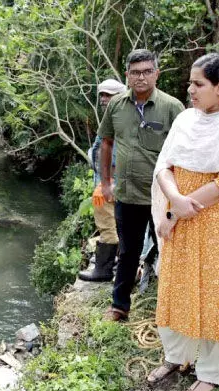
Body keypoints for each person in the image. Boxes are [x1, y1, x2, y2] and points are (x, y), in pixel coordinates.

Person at [146, 53, 219, 391]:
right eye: (190, 83)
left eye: (198, 84)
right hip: (179, 218)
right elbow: (164, 166)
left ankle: (214, 372)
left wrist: (179, 209)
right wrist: (174, 203)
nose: (190, 89)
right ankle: (175, 356)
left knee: (217, 294)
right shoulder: (184, 120)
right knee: (176, 286)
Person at [98, 49, 185, 320]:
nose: (141, 77)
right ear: (127, 75)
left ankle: (173, 306)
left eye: (147, 71)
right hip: (127, 194)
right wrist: (106, 183)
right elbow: (107, 142)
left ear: (157, 73)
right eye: (135, 72)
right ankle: (119, 306)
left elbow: (184, 152)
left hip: (163, 195)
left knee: (168, 249)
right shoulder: (116, 105)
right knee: (128, 252)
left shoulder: (173, 107)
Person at [80, 78, 127, 282]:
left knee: (108, 226)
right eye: (102, 95)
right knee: (115, 225)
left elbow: (116, 157)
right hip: (107, 183)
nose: (104, 99)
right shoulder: (112, 119)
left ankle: (103, 271)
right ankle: (115, 264)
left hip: (109, 186)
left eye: (109, 95)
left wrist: (109, 183)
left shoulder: (119, 121)